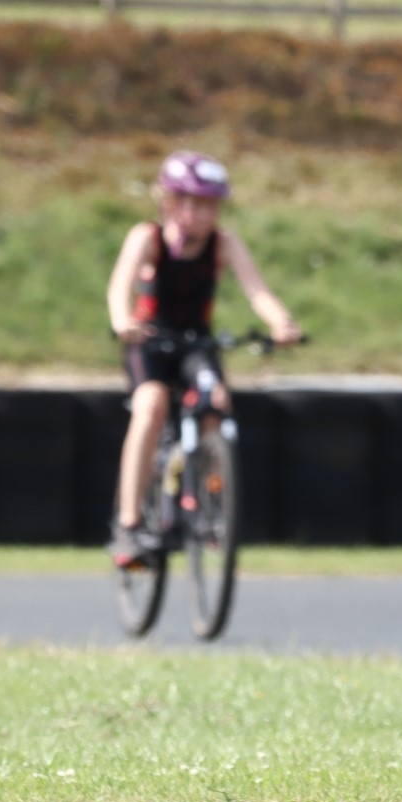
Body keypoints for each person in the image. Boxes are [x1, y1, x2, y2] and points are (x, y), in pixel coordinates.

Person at [103, 151, 301, 569]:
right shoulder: (148, 237)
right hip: (150, 340)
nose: (198, 214)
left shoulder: (223, 244)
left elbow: (257, 291)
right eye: (189, 202)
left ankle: (210, 501)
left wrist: (281, 323)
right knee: (151, 404)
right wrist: (123, 321)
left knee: (216, 403)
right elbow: (120, 285)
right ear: (170, 202)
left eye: (208, 204)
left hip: (197, 343)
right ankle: (130, 522)